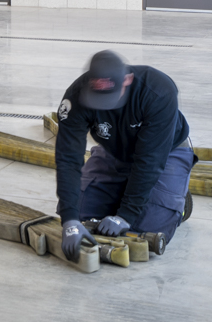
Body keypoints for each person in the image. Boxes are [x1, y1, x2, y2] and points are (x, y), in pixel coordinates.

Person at [53, 50, 196, 260]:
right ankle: (124, 192)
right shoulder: (75, 97)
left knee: (149, 228)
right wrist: (70, 220)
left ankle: (178, 201)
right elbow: (68, 158)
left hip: (166, 151)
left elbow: (150, 160)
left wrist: (125, 215)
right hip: (115, 151)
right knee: (83, 214)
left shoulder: (157, 90)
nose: (104, 105)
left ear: (128, 80)